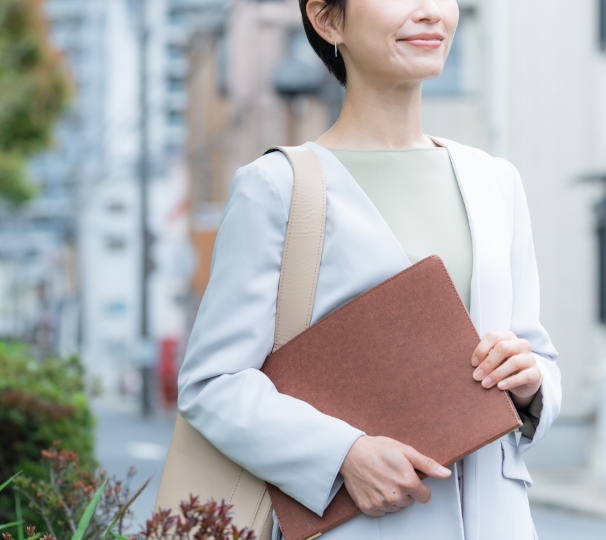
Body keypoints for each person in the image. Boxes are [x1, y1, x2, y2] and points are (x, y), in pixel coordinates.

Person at [177, 0, 561, 538]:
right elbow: (212, 382)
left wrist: (530, 381)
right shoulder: (278, 186)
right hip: (363, 525)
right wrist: (343, 455)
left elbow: (534, 349)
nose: (430, 12)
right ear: (328, 19)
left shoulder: (495, 181)